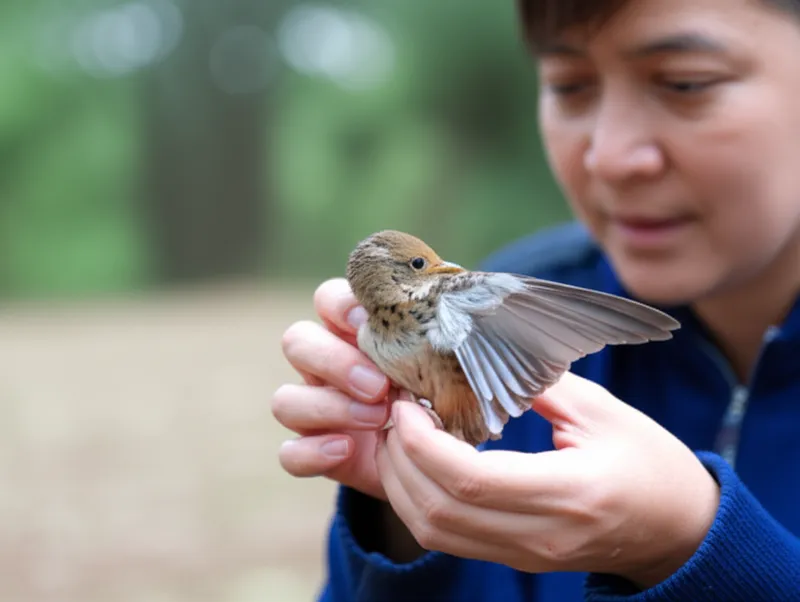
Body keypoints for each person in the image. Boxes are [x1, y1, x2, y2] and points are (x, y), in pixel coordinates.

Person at [272, 0, 800, 599]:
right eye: (569, 85)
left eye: (686, 82)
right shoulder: (500, 300)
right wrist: (405, 522)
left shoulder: (497, 300)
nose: (611, 154)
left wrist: (698, 548)